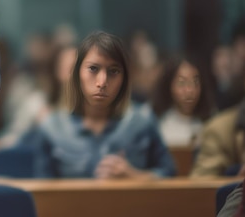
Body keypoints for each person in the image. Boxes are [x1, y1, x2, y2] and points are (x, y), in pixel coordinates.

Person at [23, 31, 176, 179]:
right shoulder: (52, 127)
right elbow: (43, 195)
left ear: (124, 79)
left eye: (113, 71)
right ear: (76, 74)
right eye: (93, 69)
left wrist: (136, 176)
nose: (102, 82)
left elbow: (170, 175)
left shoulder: (141, 122)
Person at [150, 54, 213, 147]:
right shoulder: (157, 122)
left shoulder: (212, 122)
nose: (189, 90)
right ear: (169, 85)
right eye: (181, 83)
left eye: (195, 82)